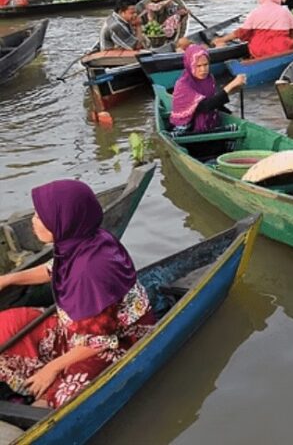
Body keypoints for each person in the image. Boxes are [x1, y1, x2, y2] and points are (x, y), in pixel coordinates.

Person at [0, 179, 156, 407]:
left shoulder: (89, 272)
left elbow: (101, 340)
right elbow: (53, 268)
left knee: (63, 396)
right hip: (78, 328)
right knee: (8, 324)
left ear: (63, 221)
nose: (33, 222)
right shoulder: (83, 240)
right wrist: (8, 279)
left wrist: (52, 368)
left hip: (118, 341)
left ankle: (42, 392)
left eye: (40, 217)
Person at [212, 0, 293, 58]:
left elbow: (242, 32)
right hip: (281, 48)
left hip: (258, 50)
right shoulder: (284, 10)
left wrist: (222, 40)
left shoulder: (255, 12)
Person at [170, 45, 245, 133]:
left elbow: (213, 102)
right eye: (198, 66)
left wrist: (232, 114)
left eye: (205, 65)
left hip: (206, 124)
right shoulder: (183, 85)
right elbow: (205, 106)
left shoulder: (209, 79)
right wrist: (230, 86)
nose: (203, 69)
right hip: (186, 129)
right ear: (190, 66)